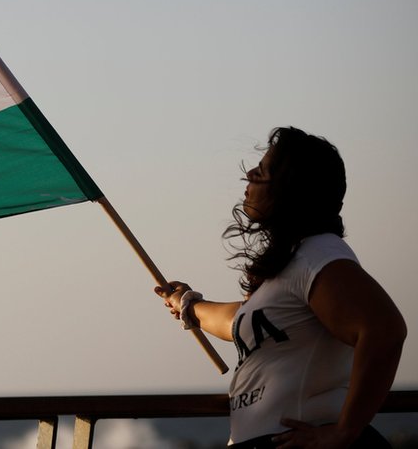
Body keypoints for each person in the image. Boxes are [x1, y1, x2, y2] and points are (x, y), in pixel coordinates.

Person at [154, 127, 407, 448]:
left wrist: (346, 430)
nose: (249, 173)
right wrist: (187, 304)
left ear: (291, 188)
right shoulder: (295, 263)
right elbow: (244, 322)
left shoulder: (318, 253)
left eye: (262, 170)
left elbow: (384, 329)